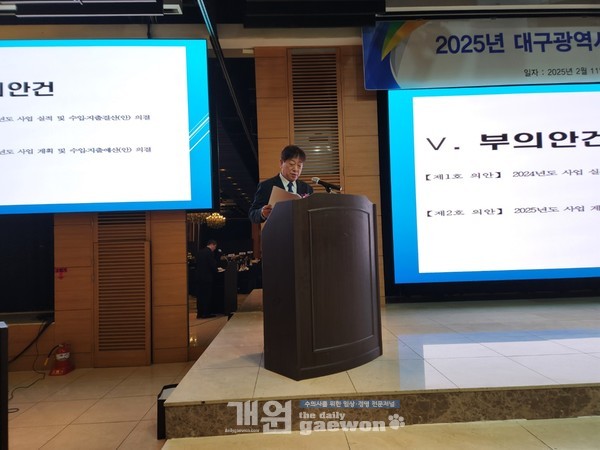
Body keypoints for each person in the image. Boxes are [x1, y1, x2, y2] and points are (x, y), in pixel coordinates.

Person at [248, 144, 313, 223]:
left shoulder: (307, 188)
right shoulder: (266, 186)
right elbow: (252, 214)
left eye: (299, 165)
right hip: (277, 229)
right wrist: (262, 213)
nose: (296, 169)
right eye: (291, 164)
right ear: (281, 163)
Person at [195, 239, 218, 318]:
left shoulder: (199, 252)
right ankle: (206, 313)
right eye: (215, 247)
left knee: (200, 296)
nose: (214, 249)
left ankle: (199, 313)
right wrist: (216, 269)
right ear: (212, 245)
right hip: (207, 278)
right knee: (207, 296)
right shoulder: (209, 253)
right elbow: (212, 265)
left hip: (199, 278)